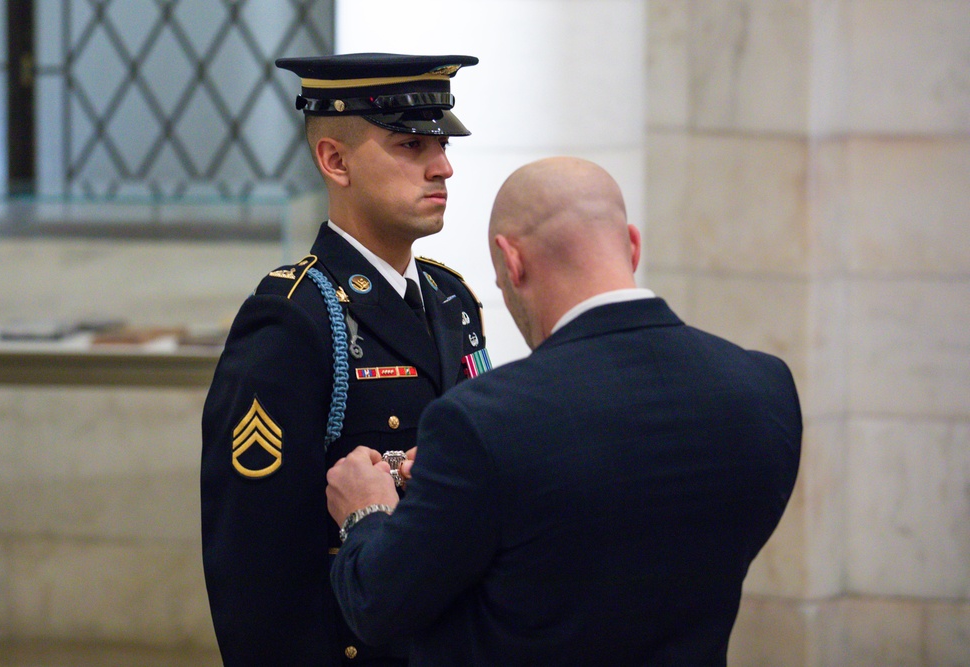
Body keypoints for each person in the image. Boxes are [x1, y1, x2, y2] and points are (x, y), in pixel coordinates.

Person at [325, 156, 803, 666]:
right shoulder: (763, 389)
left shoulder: (485, 424)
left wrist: (366, 512)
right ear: (633, 246)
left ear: (513, 262)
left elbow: (378, 606)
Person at [201, 53, 489, 666]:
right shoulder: (294, 319)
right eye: (412, 145)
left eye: (440, 145)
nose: (444, 167)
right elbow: (254, 561)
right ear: (335, 161)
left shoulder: (450, 297)